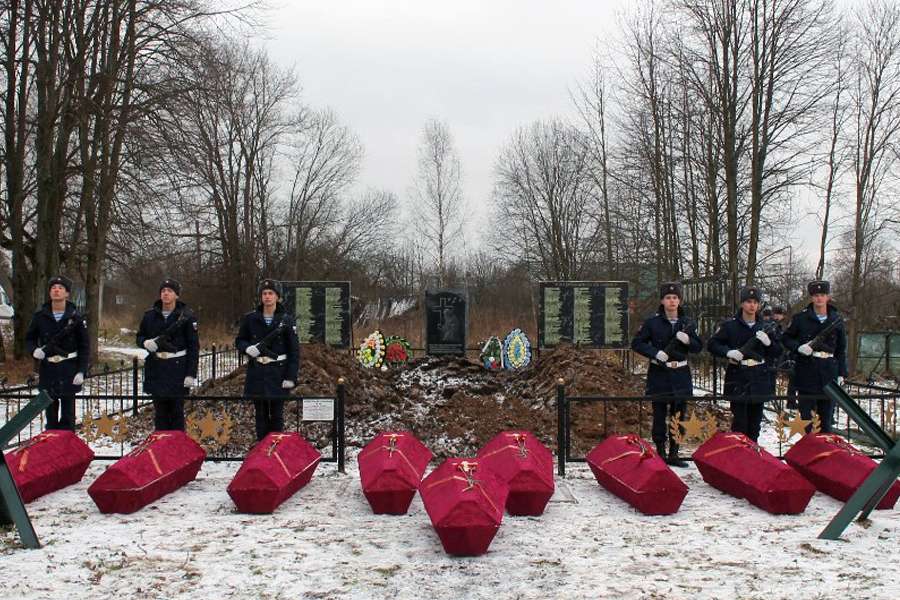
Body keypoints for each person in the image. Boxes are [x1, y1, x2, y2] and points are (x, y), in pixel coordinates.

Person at [631, 282, 703, 467]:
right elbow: (637, 343)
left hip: (680, 373)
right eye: (668, 298)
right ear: (662, 301)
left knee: (678, 416)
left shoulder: (686, 323)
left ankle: (674, 452)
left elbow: (699, 347)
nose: (672, 301)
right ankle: (660, 451)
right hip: (660, 374)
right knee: (659, 415)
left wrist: (687, 339)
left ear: (680, 301)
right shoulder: (652, 323)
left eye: (675, 298)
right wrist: (655, 353)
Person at [707, 286, 782, 442]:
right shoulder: (730, 326)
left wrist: (768, 343)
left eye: (755, 302)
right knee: (740, 424)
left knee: (755, 425)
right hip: (738, 377)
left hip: (758, 378)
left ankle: (753, 458)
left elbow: (778, 351)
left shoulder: (765, 327)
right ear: (742, 304)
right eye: (748, 301)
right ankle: (739, 458)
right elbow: (712, 344)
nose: (752, 305)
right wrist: (729, 352)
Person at [236, 279, 300, 442]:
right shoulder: (250, 319)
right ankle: (262, 450)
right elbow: (240, 340)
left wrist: (290, 377)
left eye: (271, 293)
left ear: (277, 297)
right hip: (257, 372)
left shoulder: (287, 320)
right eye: (264, 293)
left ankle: (275, 450)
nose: (267, 297)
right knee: (261, 416)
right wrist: (247, 348)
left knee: (277, 416)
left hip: (277, 373)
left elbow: (293, 351)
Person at [781, 280, 848, 433]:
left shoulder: (836, 320)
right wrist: (798, 347)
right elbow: (786, 339)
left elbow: (841, 349)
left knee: (826, 422)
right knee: (807, 422)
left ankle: (825, 454)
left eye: (823, 295)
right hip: (807, 372)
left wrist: (841, 373)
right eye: (816, 295)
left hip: (828, 373)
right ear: (811, 297)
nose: (819, 299)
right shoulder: (800, 318)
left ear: (828, 297)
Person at [25, 276, 90, 431]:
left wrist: (81, 371)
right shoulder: (40, 317)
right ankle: (52, 451)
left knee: (68, 418)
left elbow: (84, 347)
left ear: (67, 293)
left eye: (60, 288)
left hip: (69, 369)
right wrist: (35, 350)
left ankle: (67, 452)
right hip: (49, 370)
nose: (56, 290)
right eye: (53, 287)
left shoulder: (76, 318)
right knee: (51, 418)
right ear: (49, 292)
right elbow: (29, 339)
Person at [136, 279, 199, 431]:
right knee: (160, 414)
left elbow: (193, 347)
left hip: (177, 370)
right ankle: (161, 450)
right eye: (163, 290)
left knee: (177, 413)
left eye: (170, 291)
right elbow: (139, 336)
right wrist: (145, 343)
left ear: (176, 295)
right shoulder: (150, 316)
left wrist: (190, 373)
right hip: (156, 368)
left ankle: (177, 451)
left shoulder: (187, 317)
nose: (165, 293)